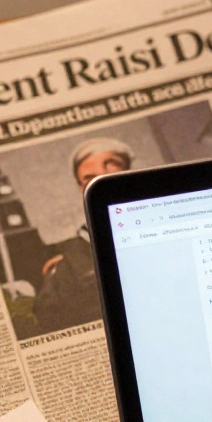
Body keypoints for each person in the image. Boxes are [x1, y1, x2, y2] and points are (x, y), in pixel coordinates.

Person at [31, 138, 133, 333]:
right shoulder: (68, 256)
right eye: (90, 178)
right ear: (82, 189)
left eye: (111, 169)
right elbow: (49, 317)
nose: (104, 182)